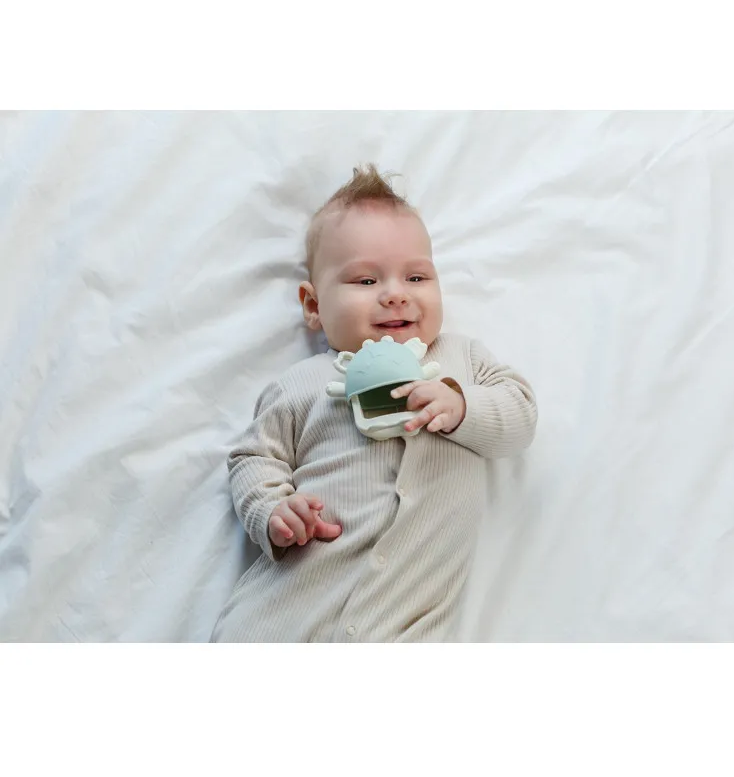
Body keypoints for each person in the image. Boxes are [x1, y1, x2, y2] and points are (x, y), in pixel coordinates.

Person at [211, 164, 537, 642]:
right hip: (286, 617)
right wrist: (273, 510)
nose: (395, 295)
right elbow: (252, 456)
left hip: (403, 628)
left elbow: (521, 413)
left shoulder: (462, 361)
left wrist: (462, 405)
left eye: (416, 277)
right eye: (366, 281)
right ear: (314, 306)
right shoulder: (303, 383)